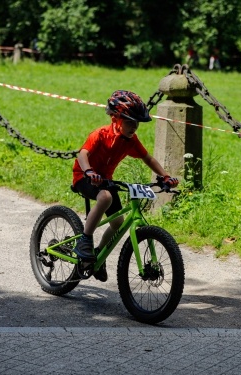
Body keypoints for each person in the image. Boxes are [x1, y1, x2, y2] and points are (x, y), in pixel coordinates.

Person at [72, 90, 179, 282]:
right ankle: (85, 240)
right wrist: (88, 171)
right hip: (84, 177)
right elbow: (82, 154)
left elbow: (148, 158)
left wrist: (165, 176)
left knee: (118, 223)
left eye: (137, 123)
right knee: (105, 197)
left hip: (106, 181)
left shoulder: (130, 141)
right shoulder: (100, 134)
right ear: (115, 118)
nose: (134, 127)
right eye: (130, 121)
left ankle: (98, 254)